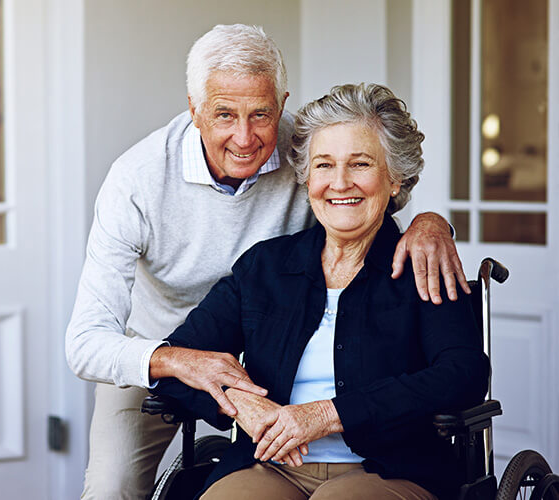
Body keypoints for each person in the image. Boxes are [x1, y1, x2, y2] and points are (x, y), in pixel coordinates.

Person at [66, 25, 469, 500]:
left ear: (281, 105)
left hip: (285, 366)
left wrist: (433, 222)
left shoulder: (312, 144)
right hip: (160, 349)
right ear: (193, 110)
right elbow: (86, 343)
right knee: (112, 489)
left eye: (261, 113)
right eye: (223, 114)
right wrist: (181, 363)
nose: (245, 135)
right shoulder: (137, 181)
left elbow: (367, 183)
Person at [151, 83, 489, 500]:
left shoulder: (422, 264)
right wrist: (240, 403)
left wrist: (328, 415)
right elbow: (179, 358)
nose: (340, 183)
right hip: (269, 466)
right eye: (324, 165)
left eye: (361, 164)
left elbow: (463, 374)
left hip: (389, 470)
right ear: (307, 177)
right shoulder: (265, 268)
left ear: (395, 178)